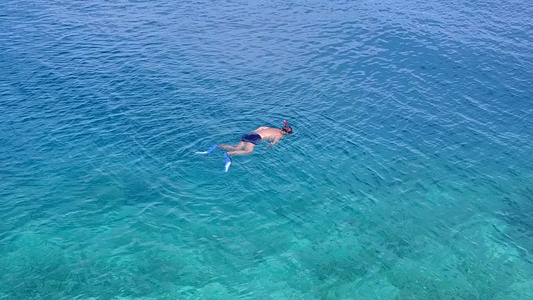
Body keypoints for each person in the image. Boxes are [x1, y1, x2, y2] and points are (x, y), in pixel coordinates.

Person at [218, 121, 293, 157]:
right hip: (255, 138)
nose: (288, 134)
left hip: (251, 134)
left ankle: (220, 146)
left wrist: (255, 132)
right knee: (249, 151)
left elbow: (262, 127)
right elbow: (273, 143)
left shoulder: (273, 128)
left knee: (237, 147)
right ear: (284, 132)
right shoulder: (280, 135)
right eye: (288, 133)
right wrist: (269, 147)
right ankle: (229, 154)